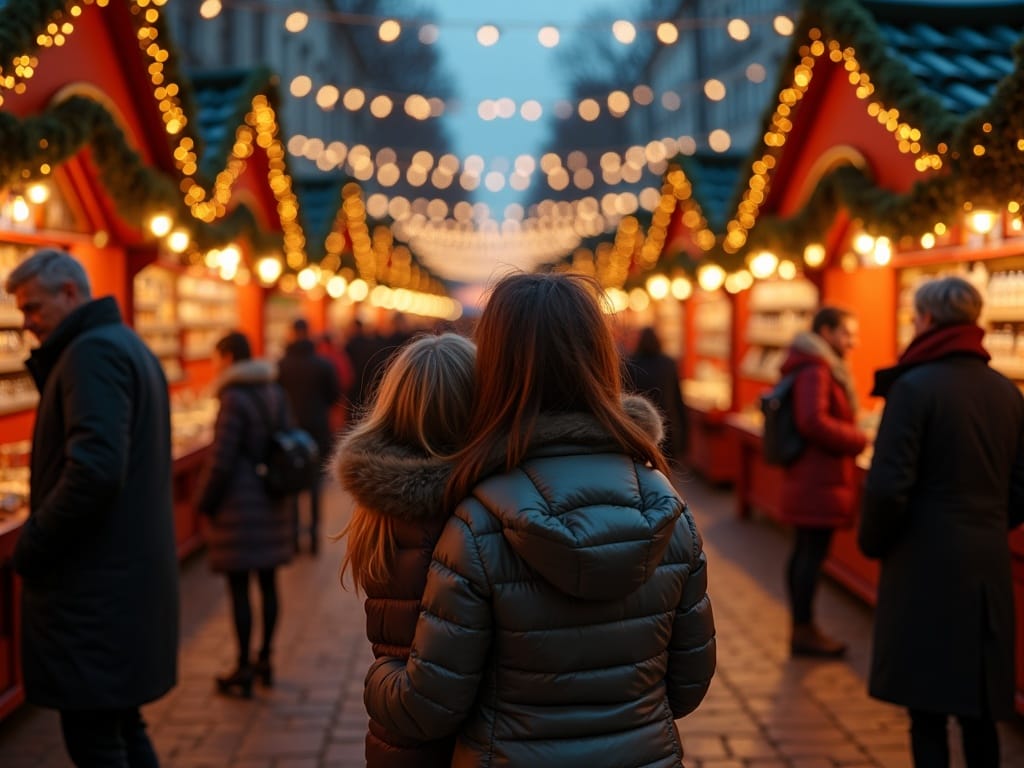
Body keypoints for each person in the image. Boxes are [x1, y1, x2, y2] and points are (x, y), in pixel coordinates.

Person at [363, 272, 716, 767]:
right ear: (600, 357)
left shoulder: (479, 522)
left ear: (495, 367)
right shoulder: (668, 507)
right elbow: (689, 684)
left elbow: (430, 708)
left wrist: (380, 675)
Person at [6, 248, 179, 767]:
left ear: (69, 293)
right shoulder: (121, 344)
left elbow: (95, 469)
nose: (27, 322)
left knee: (97, 740)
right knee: (121, 727)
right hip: (118, 588)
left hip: (94, 592)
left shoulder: (90, 353)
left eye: (33, 308)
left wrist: (31, 544)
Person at [859, 276, 1024, 768]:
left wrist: (877, 541)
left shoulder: (913, 388)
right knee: (979, 709)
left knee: (927, 708)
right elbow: (1022, 484)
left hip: (924, 562)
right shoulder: (1007, 392)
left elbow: (889, 486)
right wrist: (988, 523)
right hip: (987, 563)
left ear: (927, 319)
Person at [333, 332, 476, 767]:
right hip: (458, 738)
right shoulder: (475, 511)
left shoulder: (380, 512)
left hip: (400, 743)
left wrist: (381, 678)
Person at [196, 331, 294, 698]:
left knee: (239, 589)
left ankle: (243, 665)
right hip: (272, 497)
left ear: (228, 357)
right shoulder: (275, 391)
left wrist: (204, 502)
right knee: (268, 584)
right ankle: (266, 658)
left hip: (239, 504)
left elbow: (221, 459)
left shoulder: (233, 397)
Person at [778, 306, 868, 658]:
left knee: (805, 553)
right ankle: (804, 630)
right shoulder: (817, 369)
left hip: (812, 478)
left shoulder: (812, 364)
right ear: (827, 332)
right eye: (848, 333)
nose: (854, 341)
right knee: (810, 555)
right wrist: (858, 439)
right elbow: (812, 421)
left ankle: (803, 628)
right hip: (817, 479)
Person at [277, 317, 342, 554]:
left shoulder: (282, 364)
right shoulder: (322, 365)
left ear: (292, 333)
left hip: (290, 432)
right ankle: (314, 536)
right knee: (314, 484)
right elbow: (334, 395)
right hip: (317, 429)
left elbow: (277, 397)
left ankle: (294, 537)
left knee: (293, 485)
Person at [626, 325, 689, 460]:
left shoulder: (631, 364)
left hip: (640, 427)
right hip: (667, 425)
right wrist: (684, 435)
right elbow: (677, 399)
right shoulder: (668, 364)